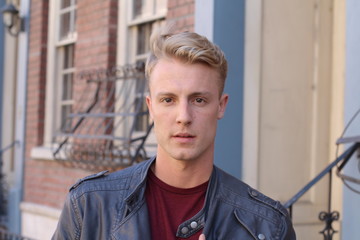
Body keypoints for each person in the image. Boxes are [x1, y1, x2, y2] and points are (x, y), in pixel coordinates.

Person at [52, 28, 296, 240]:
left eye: (199, 100)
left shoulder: (268, 225)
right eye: (168, 99)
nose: (183, 116)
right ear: (151, 107)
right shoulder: (90, 204)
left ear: (221, 106)